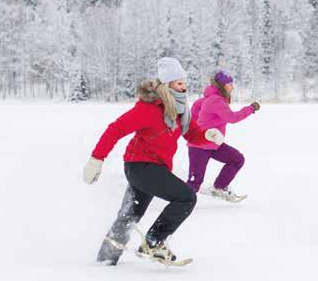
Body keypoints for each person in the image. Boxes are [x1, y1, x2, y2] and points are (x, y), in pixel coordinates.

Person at [82, 57, 224, 265]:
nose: (184, 88)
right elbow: (116, 129)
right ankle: (154, 242)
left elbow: (192, 134)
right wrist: (97, 159)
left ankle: (105, 259)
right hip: (140, 166)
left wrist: (207, 135)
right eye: (178, 84)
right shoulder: (148, 109)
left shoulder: (180, 111)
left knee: (130, 215)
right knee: (186, 198)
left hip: (154, 168)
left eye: (184, 83)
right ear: (166, 86)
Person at [186, 70, 260, 201]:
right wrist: (251, 109)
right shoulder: (216, 100)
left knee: (237, 159)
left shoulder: (208, 99)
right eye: (230, 84)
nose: (233, 87)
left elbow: (195, 111)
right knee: (195, 182)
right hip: (200, 146)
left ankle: (219, 187)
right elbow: (232, 118)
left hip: (214, 143)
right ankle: (180, 203)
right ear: (223, 86)